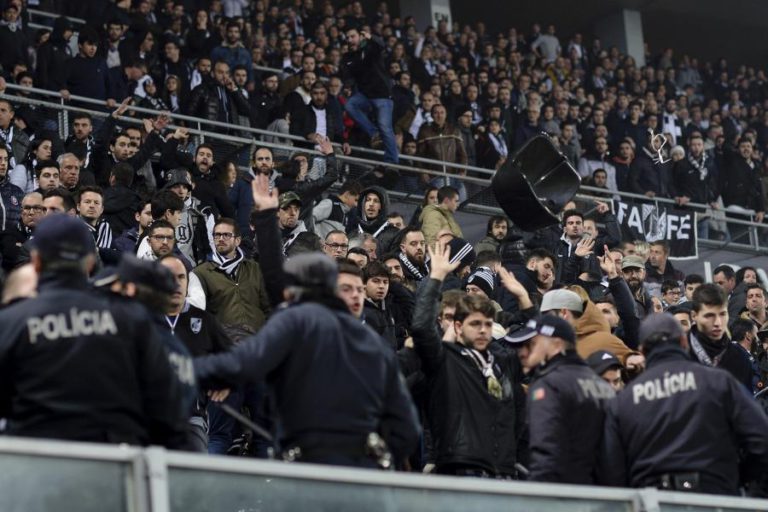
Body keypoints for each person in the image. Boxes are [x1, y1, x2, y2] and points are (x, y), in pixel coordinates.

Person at [194, 253, 420, 467]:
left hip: (310, 470)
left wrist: (180, 368)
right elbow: (407, 428)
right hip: (365, 475)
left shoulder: (298, 320)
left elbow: (241, 364)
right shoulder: (373, 341)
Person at [0, 215, 188, 447]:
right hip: (114, 466)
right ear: (90, 263)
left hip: (36, 464)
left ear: (36, 262)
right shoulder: (130, 318)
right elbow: (167, 404)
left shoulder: (10, 322)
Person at [599, 313, 768, 495]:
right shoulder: (719, 382)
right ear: (684, 343)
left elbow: (611, 470)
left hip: (653, 500)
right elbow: (761, 438)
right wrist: (742, 477)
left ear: (642, 351)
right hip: (716, 496)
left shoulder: (623, 401)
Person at [410, 241, 525, 477]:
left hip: (500, 470)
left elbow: (539, 346)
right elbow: (421, 327)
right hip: (459, 467)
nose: (483, 330)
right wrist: (436, 278)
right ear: (458, 326)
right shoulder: (446, 358)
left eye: (487, 324)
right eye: (475, 324)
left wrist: (524, 298)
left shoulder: (500, 360)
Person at [509, 315, 614, 483]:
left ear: (556, 345)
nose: (522, 351)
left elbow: (546, 450)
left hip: (563, 494)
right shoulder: (603, 386)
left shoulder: (549, 385)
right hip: (605, 496)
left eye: (532, 343)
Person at [342, 26, 398, 164]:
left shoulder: (370, 48)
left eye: (352, 36)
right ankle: (373, 133)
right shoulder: (348, 57)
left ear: (361, 37)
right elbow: (350, 75)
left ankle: (392, 162)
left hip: (382, 95)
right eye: (347, 38)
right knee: (350, 105)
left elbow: (381, 45)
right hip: (365, 95)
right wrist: (348, 86)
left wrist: (370, 37)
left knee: (385, 127)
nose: (349, 40)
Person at [688, 283, 753, 391]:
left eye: (722, 314)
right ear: (694, 316)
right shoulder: (678, 354)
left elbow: (745, 404)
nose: (718, 322)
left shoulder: (740, 357)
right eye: (709, 315)